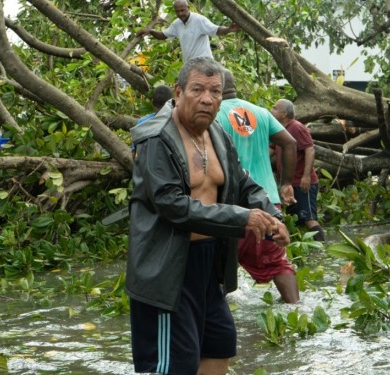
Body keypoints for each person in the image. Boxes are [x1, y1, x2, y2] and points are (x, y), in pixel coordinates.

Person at [126, 57, 289, 374]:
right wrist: (243, 219)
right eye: (198, 89)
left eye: (215, 91)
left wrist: (270, 217)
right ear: (179, 91)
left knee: (219, 346)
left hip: (209, 265)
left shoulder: (217, 134)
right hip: (167, 270)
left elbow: (243, 183)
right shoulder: (156, 139)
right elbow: (172, 204)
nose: (207, 99)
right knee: (174, 365)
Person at [216, 69, 300, 303]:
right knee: (277, 260)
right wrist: (285, 184)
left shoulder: (213, 114)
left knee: (219, 262)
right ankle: (295, 310)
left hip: (228, 203)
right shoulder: (261, 112)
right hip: (266, 200)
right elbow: (290, 143)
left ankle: (218, 317)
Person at [270, 99, 325, 242]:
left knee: (309, 219)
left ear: (283, 114)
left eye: (274, 108)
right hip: (289, 185)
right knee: (294, 219)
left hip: (302, 183)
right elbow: (270, 149)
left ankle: (322, 250)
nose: (271, 110)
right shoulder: (279, 129)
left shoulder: (297, 127)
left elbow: (310, 150)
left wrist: (306, 177)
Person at [137, 0, 239, 63]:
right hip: (190, 64)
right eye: (177, 11)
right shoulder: (177, 23)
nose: (180, 13)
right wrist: (150, 31)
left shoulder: (199, 20)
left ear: (188, 8)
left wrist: (228, 29)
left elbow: (215, 30)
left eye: (183, 10)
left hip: (204, 63)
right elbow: (163, 35)